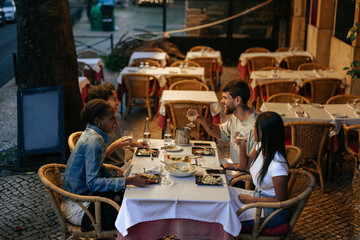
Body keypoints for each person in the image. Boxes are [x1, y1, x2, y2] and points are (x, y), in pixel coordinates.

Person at [61, 99, 150, 231]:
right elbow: (92, 183)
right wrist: (127, 181)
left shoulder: (94, 134)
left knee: (133, 200)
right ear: (98, 120)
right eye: (112, 118)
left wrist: (115, 177)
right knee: (136, 212)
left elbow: (95, 170)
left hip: (82, 198)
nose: (116, 121)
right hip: (79, 207)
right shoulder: (94, 140)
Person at [229, 111, 289, 228]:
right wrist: (242, 145)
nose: (252, 129)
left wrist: (252, 200)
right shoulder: (261, 146)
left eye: (256, 126)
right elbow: (244, 166)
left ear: (266, 133)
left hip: (272, 212)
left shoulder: (278, 165)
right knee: (225, 196)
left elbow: (280, 200)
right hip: (258, 197)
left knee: (228, 215)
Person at [187, 81, 258, 168]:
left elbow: (252, 165)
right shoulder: (235, 117)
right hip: (234, 167)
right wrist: (201, 119)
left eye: (225, 98)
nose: (221, 101)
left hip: (244, 177)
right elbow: (219, 132)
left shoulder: (256, 126)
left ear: (238, 100)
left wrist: (229, 166)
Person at [88, 83, 148, 168]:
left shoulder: (112, 119)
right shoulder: (96, 127)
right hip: (111, 170)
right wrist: (115, 145)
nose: (118, 103)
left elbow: (119, 141)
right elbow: (96, 160)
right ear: (103, 103)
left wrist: (135, 144)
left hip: (121, 165)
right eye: (114, 99)